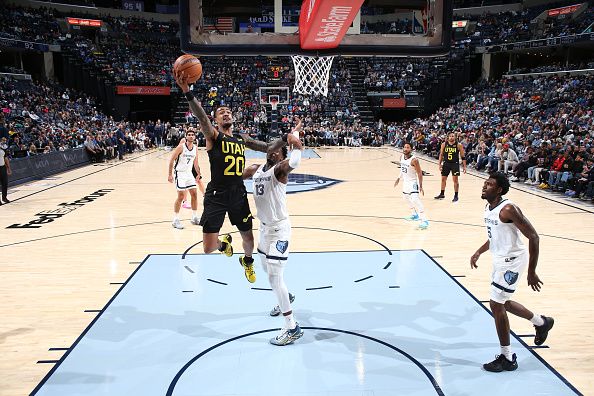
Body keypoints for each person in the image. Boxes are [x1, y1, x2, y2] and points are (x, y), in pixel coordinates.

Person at [175, 69, 289, 283]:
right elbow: (200, 115)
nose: (226, 114)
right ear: (215, 120)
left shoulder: (241, 138)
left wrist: (286, 138)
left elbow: (268, 147)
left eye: (228, 111)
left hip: (237, 193)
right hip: (216, 194)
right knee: (208, 248)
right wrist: (187, 91)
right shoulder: (213, 135)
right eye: (221, 112)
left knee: (249, 239)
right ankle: (223, 244)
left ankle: (247, 262)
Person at [471, 172, 554, 372]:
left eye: (489, 184)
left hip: (512, 261)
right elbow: (494, 237)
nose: (484, 186)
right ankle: (541, 322)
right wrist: (479, 251)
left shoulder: (508, 208)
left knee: (496, 304)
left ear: (499, 189)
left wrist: (532, 272)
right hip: (500, 259)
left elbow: (534, 236)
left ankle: (507, 357)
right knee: (504, 302)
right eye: (485, 183)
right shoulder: (488, 207)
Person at [242, 131, 304, 345]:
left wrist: (296, 141)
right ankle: (286, 296)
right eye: (271, 149)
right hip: (264, 230)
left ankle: (291, 327)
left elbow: (294, 161)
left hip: (279, 230)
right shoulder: (256, 169)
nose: (273, 152)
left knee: (274, 278)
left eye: (277, 151)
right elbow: (234, 175)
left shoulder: (280, 170)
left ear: (281, 155)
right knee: (267, 269)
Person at [168, 128, 203, 229]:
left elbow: (196, 163)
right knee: (181, 196)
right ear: (186, 136)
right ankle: (175, 219)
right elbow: (171, 161)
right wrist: (170, 175)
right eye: (189, 134)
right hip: (180, 173)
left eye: (193, 134)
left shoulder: (195, 148)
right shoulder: (181, 147)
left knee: (194, 194)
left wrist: (198, 173)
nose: (191, 136)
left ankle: (194, 217)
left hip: (189, 174)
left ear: (194, 137)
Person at [394, 142, 429, 230]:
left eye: (408, 147)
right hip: (405, 182)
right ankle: (414, 214)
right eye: (404, 147)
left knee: (415, 199)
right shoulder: (401, 157)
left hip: (413, 182)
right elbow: (402, 169)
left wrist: (420, 186)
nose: (405, 149)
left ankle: (424, 220)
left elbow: (420, 173)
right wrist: (398, 178)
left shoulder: (414, 160)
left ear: (411, 149)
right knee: (405, 198)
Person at [435, 132, 466, 202]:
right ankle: (442, 194)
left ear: (455, 137)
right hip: (446, 163)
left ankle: (456, 195)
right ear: (448, 137)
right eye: (450, 136)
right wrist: (439, 164)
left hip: (455, 164)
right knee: (443, 179)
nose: (451, 137)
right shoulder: (444, 144)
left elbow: (463, 156)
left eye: (453, 136)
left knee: (455, 180)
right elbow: (441, 154)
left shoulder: (459, 145)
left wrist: (464, 167)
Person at [0, 137, 11, 204]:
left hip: (3, 167)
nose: (4, 141)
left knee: (5, 183)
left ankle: (4, 198)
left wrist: (8, 168)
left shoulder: (3, 148)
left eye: (5, 140)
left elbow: (5, 158)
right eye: (3, 140)